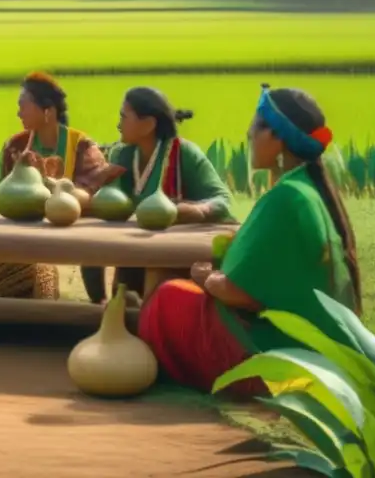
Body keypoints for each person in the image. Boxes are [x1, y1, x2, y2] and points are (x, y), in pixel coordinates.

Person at [137, 85, 361, 397]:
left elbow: (240, 293)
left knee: (165, 298)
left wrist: (209, 279)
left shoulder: (287, 197)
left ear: (277, 137)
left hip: (272, 360)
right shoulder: (310, 189)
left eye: (255, 126)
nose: (248, 134)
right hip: (308, 353)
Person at [81, 86, 233, 305]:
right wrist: (98, 182)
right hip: (132, 253)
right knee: (93, 247)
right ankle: (101, 307)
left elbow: (223, 200)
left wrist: (198, 210)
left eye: (124, 117)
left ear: (148, 124)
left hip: (177, 258)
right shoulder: (122, 155)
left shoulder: (184, 154)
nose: (118, 124)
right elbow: (111, 205)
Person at [0, 73, 123, 300]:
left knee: (92, 245)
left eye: (23, 106)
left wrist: (52, 188)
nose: (18, 112)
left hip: (76, 226)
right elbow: (6, 191)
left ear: (48, 111)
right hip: (27, 225)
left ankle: (99, 304)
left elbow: (91, 195)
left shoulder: (81, 146)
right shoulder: (15, 147)